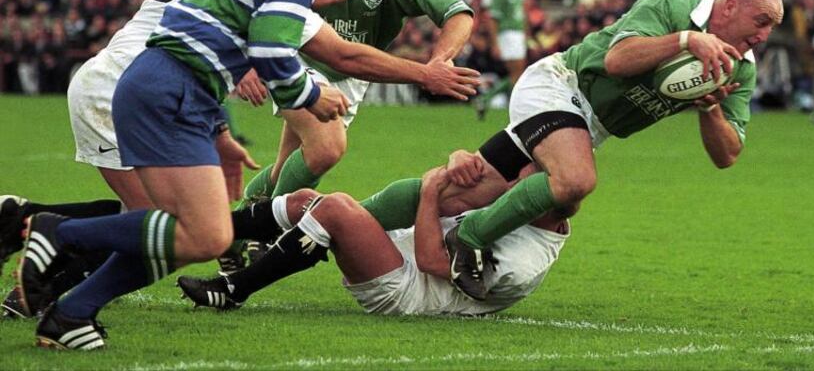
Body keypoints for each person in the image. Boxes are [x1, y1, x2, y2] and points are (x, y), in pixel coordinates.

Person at [12, 0, 352, 351]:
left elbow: (202, 22)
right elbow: (295, 46)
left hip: (147, 76)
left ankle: (68, 306)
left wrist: (220, 128)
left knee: (179, 231)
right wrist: (312, 92)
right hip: (155, 80)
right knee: (175, 229)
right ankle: (56, 234)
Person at [441, 0, 783, 300]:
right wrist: (685, 40)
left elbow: (728, 155)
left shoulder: (742, 67)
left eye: (772, 27)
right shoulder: (672, 8)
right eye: (761, 21)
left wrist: (711, 110)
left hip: (590, 126)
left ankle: (394, 215)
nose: (765, 35)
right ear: (730, 6)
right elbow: (617, 61)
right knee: (576, 179)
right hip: (560, 83)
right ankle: (469, 237)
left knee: (473, 188)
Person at [232, 0, 474, 252]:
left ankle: (234, 234)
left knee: (287, 169)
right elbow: (254, 1)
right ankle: (267, 235)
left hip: (352, 76)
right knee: (327, 147)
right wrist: (248, 59)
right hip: (294, 58)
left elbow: (458, 13)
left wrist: (440, 60)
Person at [177, 157, 568, 316]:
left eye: (521, 186)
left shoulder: (523, 263)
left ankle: (234, 288)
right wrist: (460, 163)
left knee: (334, 209)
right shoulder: (525, 216)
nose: (512, 185)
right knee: (303, 202)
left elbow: (435, 264)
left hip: (409, 290)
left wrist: (431, 192)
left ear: (539, 204)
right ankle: (205, 228)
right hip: (404, 255)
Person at [474, 0, 527, 119]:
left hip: (517, 33)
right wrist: (495, 43)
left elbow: (520, 13)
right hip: (507, 33)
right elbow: (493, 18)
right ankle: (487, 99)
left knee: (517, 73)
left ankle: (486, 99)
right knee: (516, 73)